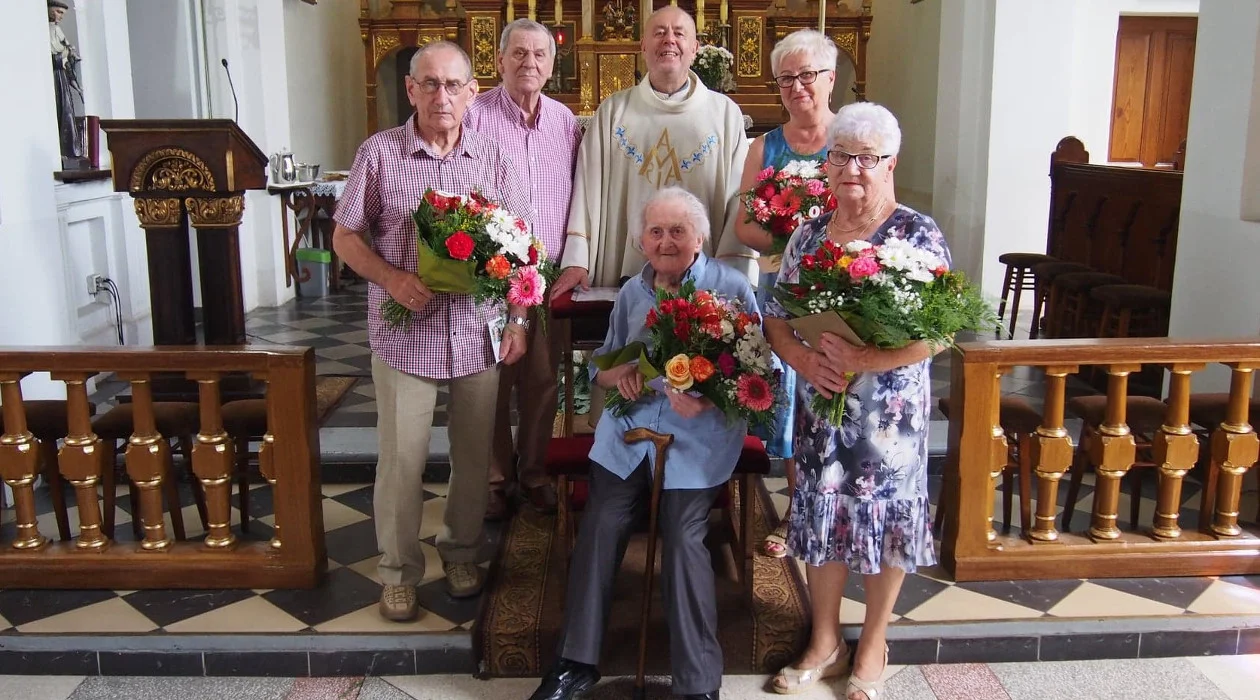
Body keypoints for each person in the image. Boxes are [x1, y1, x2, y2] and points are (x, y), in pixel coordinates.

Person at [529, 188, 757, 700]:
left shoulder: (731, 288)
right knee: (602, 523)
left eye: (678, 231)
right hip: (629, 432)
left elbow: (757, 375)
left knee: (683, 536)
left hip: (698, 439)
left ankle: (697, 683)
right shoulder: (634, 290)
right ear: (640, 240)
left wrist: (709, 399)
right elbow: (601, 365)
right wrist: (623, 374)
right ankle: (576, 662)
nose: (666, 241)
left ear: (699, 237)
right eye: (656, 231)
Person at [332, 41, 532, 622]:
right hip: (404, 336)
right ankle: (397, 572)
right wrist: (391, 278)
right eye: (429, 84)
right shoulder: (380, 154)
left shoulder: (494, 159)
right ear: (411, 90)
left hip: (476, 334)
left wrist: (518, 321)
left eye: (453, 85)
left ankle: (462, 552)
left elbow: (523, 250)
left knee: (473, 459)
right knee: (402, 459)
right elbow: (346, 236)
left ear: (473, 93)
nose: (441, 96)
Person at [762, 103, 946, 700]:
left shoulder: (916, 234)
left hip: (889, 415)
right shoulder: (810, 234)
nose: (852, 170)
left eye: (866, 158)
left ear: (891, 162)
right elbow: (778, 319)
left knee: (886, 521)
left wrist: (869, 359)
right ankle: (824, 640)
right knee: (821, 518)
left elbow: (940, 331)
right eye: (842, 156)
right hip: (824, 403)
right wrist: (805, 360)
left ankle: (872, 644)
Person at [550, 4, 756, 300]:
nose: (669, 40)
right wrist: (577, 259)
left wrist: (732, 269)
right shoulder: (613, 111)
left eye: (679, 33)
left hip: (705, 284)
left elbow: (739, 197)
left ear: (695, 47)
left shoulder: (725, 115)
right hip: (626, 279)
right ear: (644, 46)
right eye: (659, 33)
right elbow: (587, 188)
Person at [464, 19, 583, 520]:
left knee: (541, 380)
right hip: (490, 272)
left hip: (547, 274)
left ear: (552, 65)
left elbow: (582, 192)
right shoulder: (474, 115)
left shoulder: (565, 121)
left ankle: (534, 472)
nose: (528, 63)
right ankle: (494, 479)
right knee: (492, 380)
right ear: (498, 60)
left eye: (539, 54)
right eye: (518, 53)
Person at [733, 29, 838, 559]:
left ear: (830, 80)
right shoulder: (764, 147)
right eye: (786, 79)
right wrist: (790, 228)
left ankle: (838, 506)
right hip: (782, 288)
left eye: (807, 76)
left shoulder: (853, 140)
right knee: (793, 397)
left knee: (836, 393)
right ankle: (798, 509)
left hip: (842, 290)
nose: (797, 87)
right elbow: (743, 227)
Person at [49, 0, 85, 166]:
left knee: (68, 113)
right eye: (58, 12)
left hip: (62, 77)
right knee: (60, 113)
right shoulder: (45, 31)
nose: (61, 17)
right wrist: (64, 53)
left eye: (63, 14)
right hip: (53, 80)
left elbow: (66, 60)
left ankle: (71, 151)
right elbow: (52, 59)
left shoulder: (57, 30)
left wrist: (74, 82)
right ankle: (62, 152)